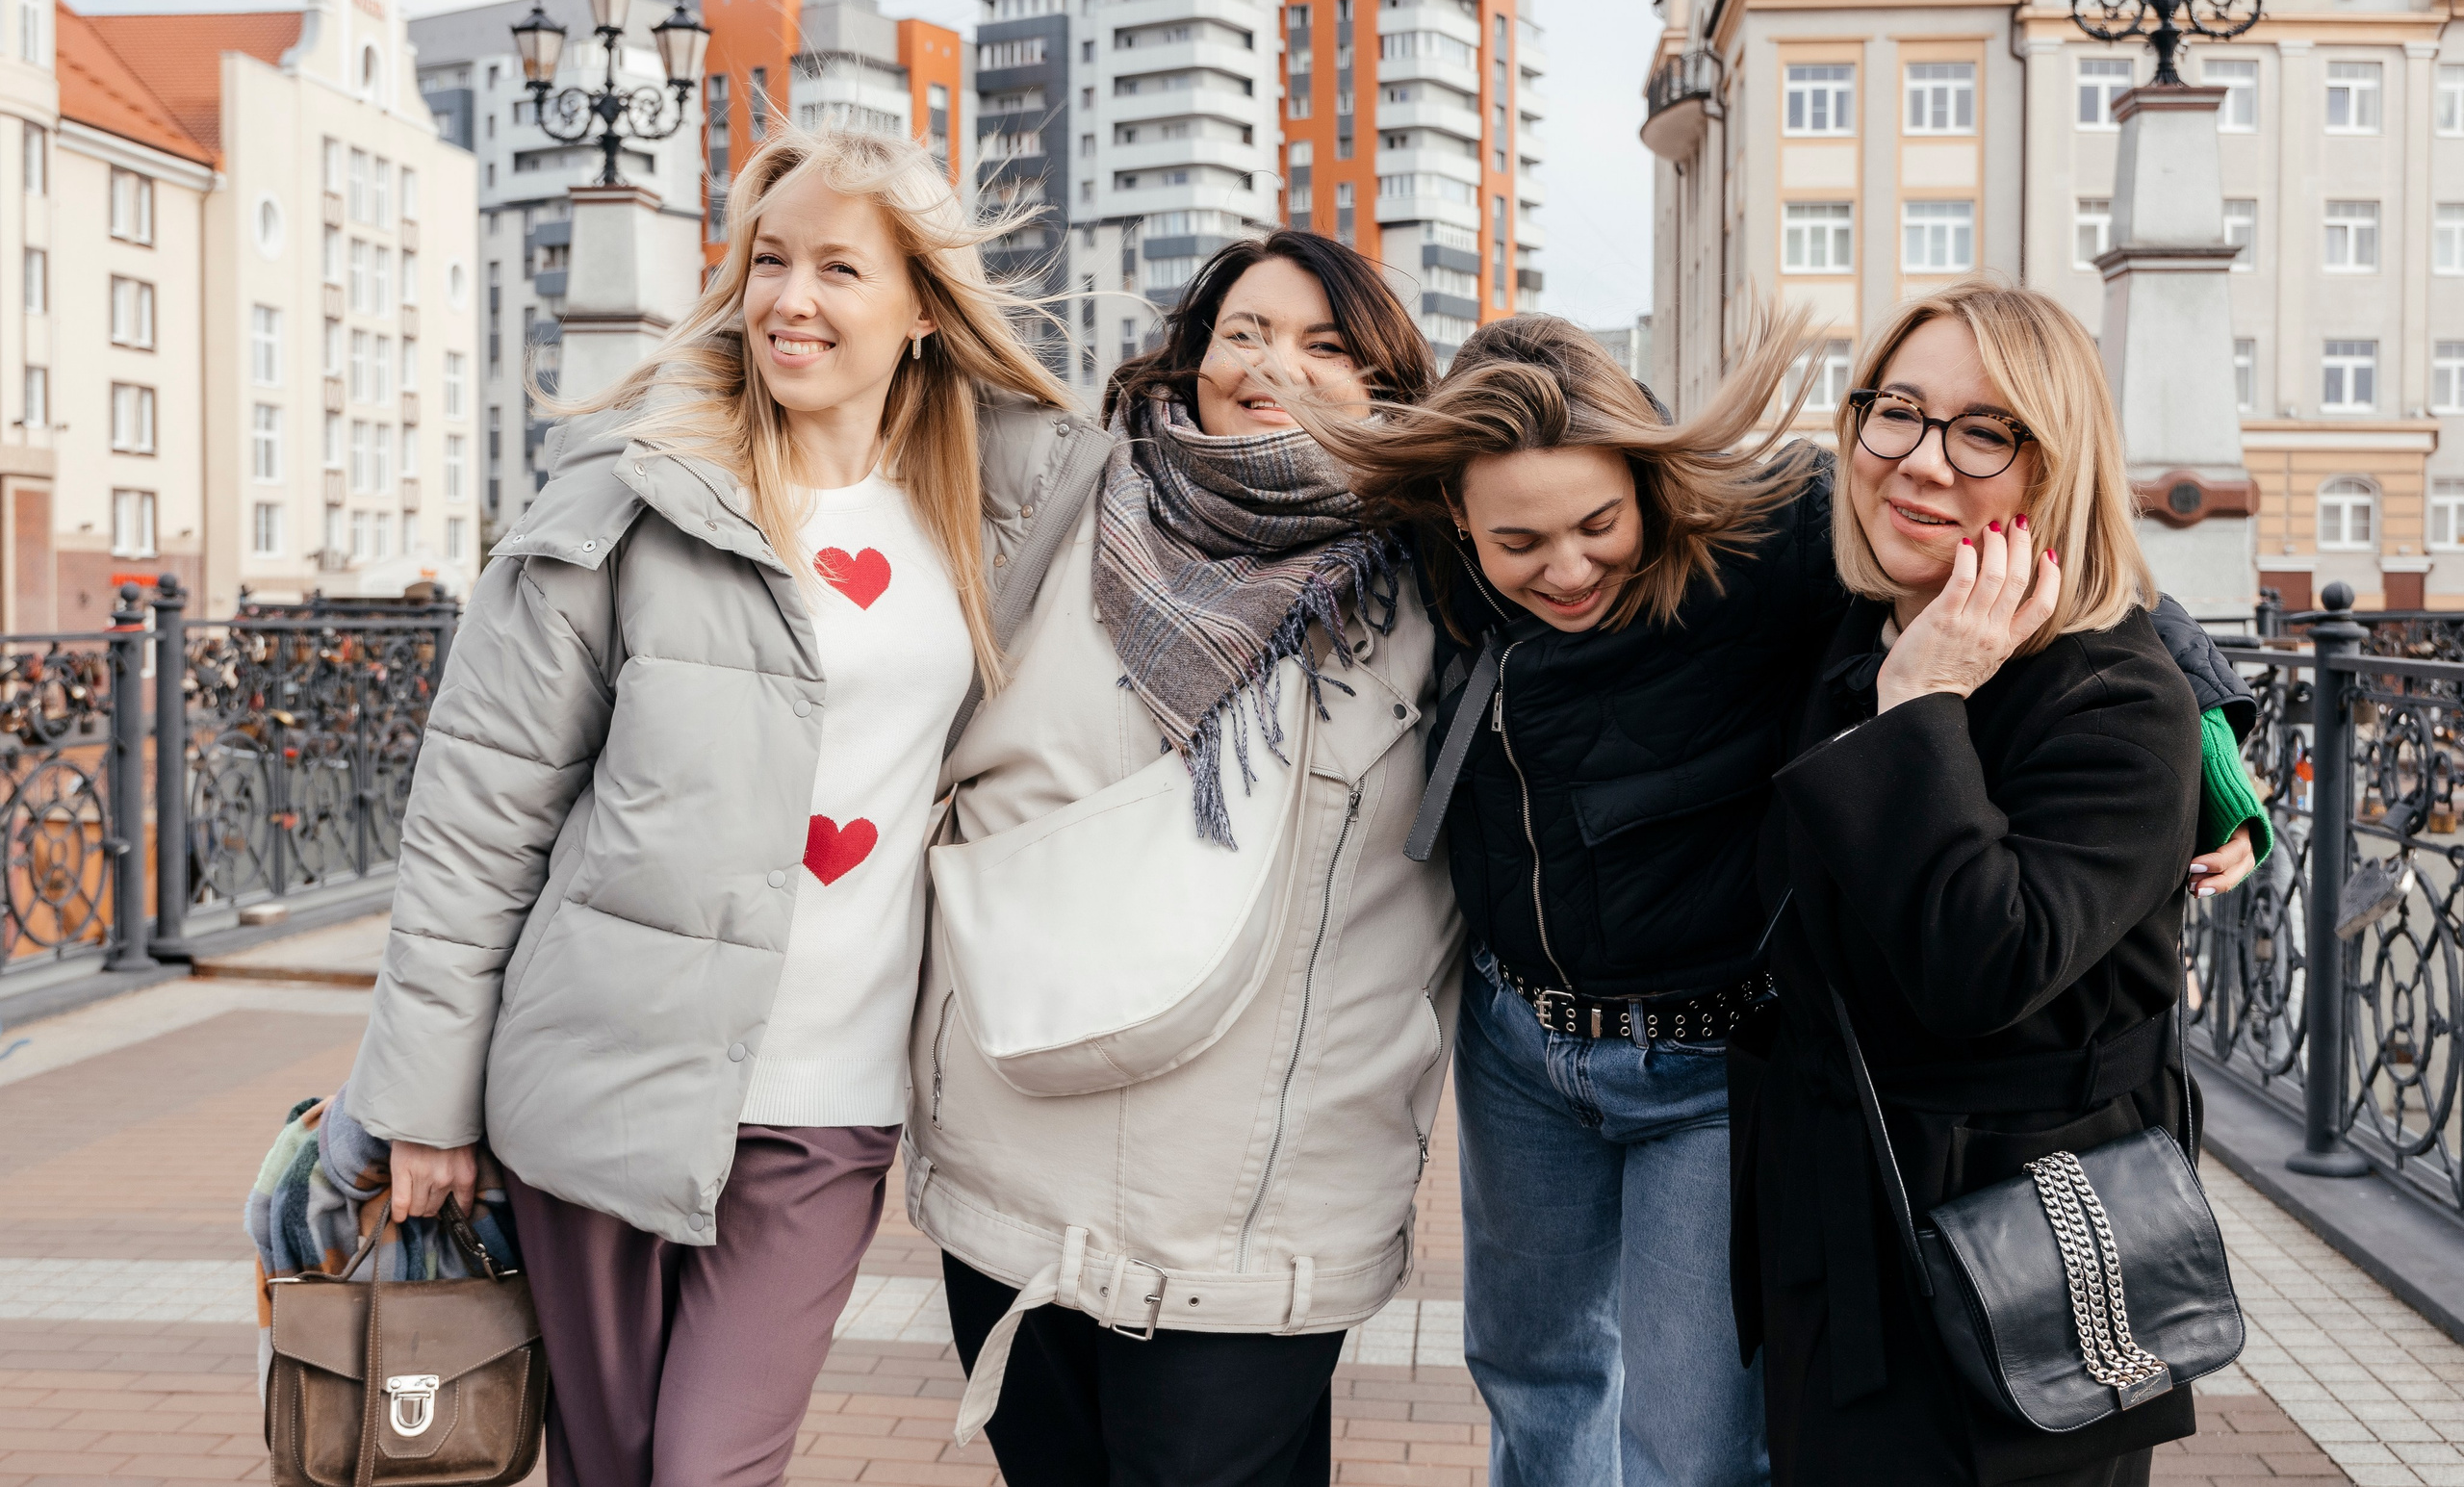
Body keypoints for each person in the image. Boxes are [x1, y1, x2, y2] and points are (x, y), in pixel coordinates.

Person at [1301, 309, 2259, 1487]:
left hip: (1713, 1061)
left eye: (1600, 523)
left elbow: (2096, 571)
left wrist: (2216, 752)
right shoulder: (1431, 560)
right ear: (1459, 521)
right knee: (1527, 1369)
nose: (1567, 568)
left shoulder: (1765, 546)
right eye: (1520, 541)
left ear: (1651, 482)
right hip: (1519, 1046)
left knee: (1693, 1439)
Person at [344, 126, 1107, 1487]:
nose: (788, 299)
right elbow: (478, 814)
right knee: (613, 1460)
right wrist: (424, 1101)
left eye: (837, 267)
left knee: (703, 1466)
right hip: (598, 1074)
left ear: (923, 307)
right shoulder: (622, 494)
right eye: (768, 260)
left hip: (832, 1095)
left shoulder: (1001, 509)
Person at [911, 228, 1461, 1487]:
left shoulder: (1442, 570)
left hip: (1256, 1225)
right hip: (1014, 1178)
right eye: (1247, 332)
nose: (1277, 363)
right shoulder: (1061, 511)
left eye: (1328, 344)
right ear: (1194, 351)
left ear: (1384, 382)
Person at [1732, 276, 2206, 1486]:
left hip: (2028, 1249)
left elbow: (1981, 964)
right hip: (1838, 1227)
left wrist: (1926, 704)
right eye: (1896, 411)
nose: (1920, 462)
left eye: (1984, 431)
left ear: (2056, 470)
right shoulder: (1858, 628)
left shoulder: (2114, 695)